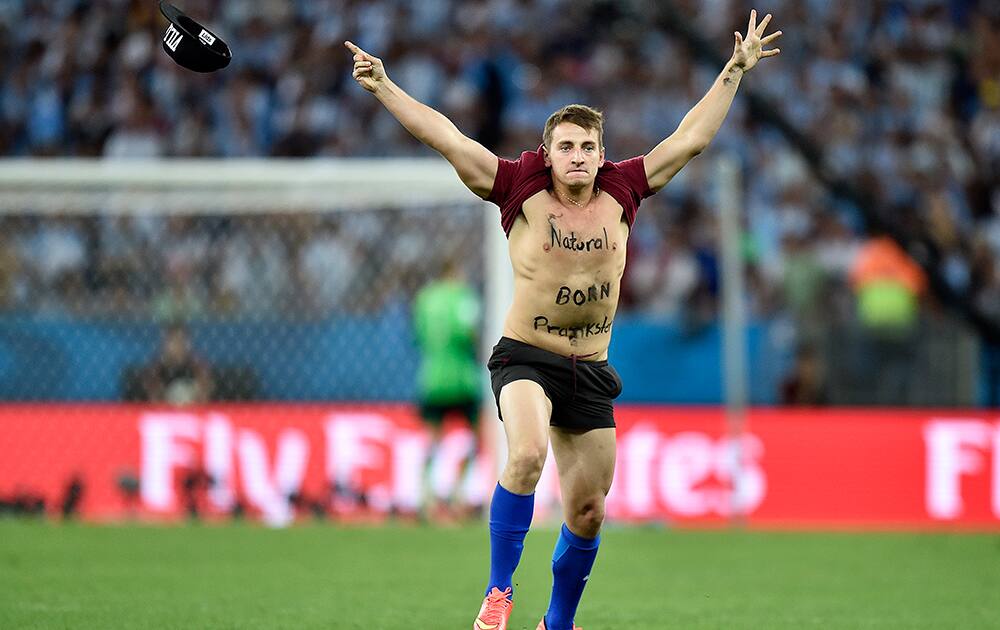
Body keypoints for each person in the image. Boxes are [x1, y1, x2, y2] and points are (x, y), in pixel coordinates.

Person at [346, 10, 781, 630]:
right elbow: (447, 138)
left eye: (587, 146)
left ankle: (558, 622)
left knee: (588, 512)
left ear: (602, 154)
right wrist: (385, 86)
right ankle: (498, 595)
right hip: (526, 357)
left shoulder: (623, 190)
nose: (577, 156)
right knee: (524, 455)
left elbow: (689, 140)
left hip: (593, 368)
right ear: (547, 153)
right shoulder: (518, 188)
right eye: (566, 146)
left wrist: (733, 72)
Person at [412, 256, 484, 522]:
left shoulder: (424, 299)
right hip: (462, 377)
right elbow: (470, 333)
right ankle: (457, 493)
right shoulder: (464, 297)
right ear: (453, 272)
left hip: (432, 378)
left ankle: (426, 495)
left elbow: (417, 336)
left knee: (432, 438)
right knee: (478, 436)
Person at [140, 323, 214, 405]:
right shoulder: (154, 370)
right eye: (173, 341)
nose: (177, 345)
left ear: (188, 344)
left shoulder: (199, 367)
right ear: (165, 344)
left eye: (181, 340)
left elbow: (205, 396)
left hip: (193, 412)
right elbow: (152, 399)